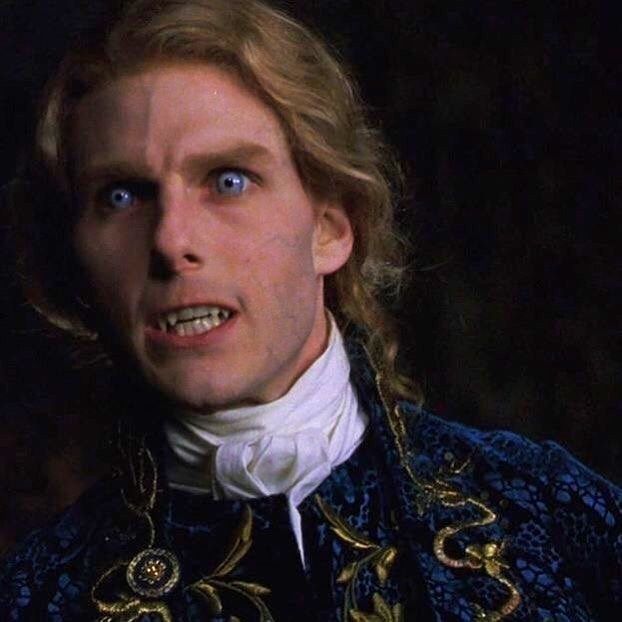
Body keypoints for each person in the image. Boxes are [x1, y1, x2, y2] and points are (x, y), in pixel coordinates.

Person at [1, 0, 620, 620]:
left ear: (330, 228)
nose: (170, 240)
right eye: (122, 196)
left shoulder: (552, 517)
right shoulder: (37, 599)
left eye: (228, 180)